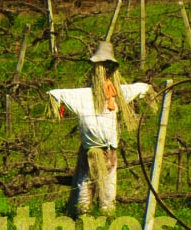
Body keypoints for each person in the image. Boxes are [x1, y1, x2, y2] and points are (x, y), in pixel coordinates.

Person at [46, 41, 155, 216]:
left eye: (107, 67)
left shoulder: (117, 94)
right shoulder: (84, 95)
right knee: (86, 181)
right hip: (91, 150)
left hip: (109, 149)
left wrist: (148, 90)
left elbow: (139, 88)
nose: (104, 71)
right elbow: (56, 94)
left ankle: (106, 214)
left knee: (107, 182)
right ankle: (83, 215)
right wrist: (54, 101)